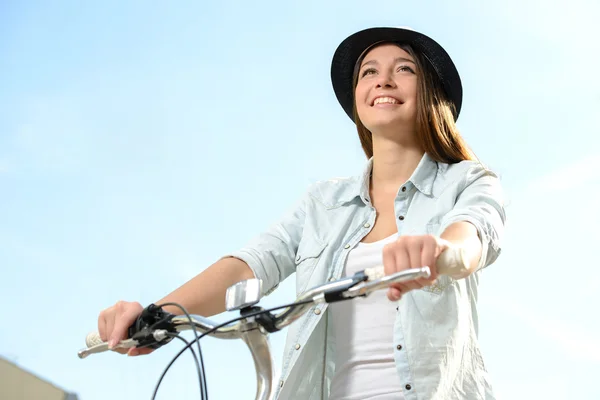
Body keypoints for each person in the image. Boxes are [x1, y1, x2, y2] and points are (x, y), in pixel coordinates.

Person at [97, 26, 506, 400]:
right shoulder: (322, 203)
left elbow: (473, 236)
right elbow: (251, 265)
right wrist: (155, 316)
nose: (383, 79)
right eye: (368, 72)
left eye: (404, 69)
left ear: (432, 93)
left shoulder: (469, 181)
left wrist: (440, 252)